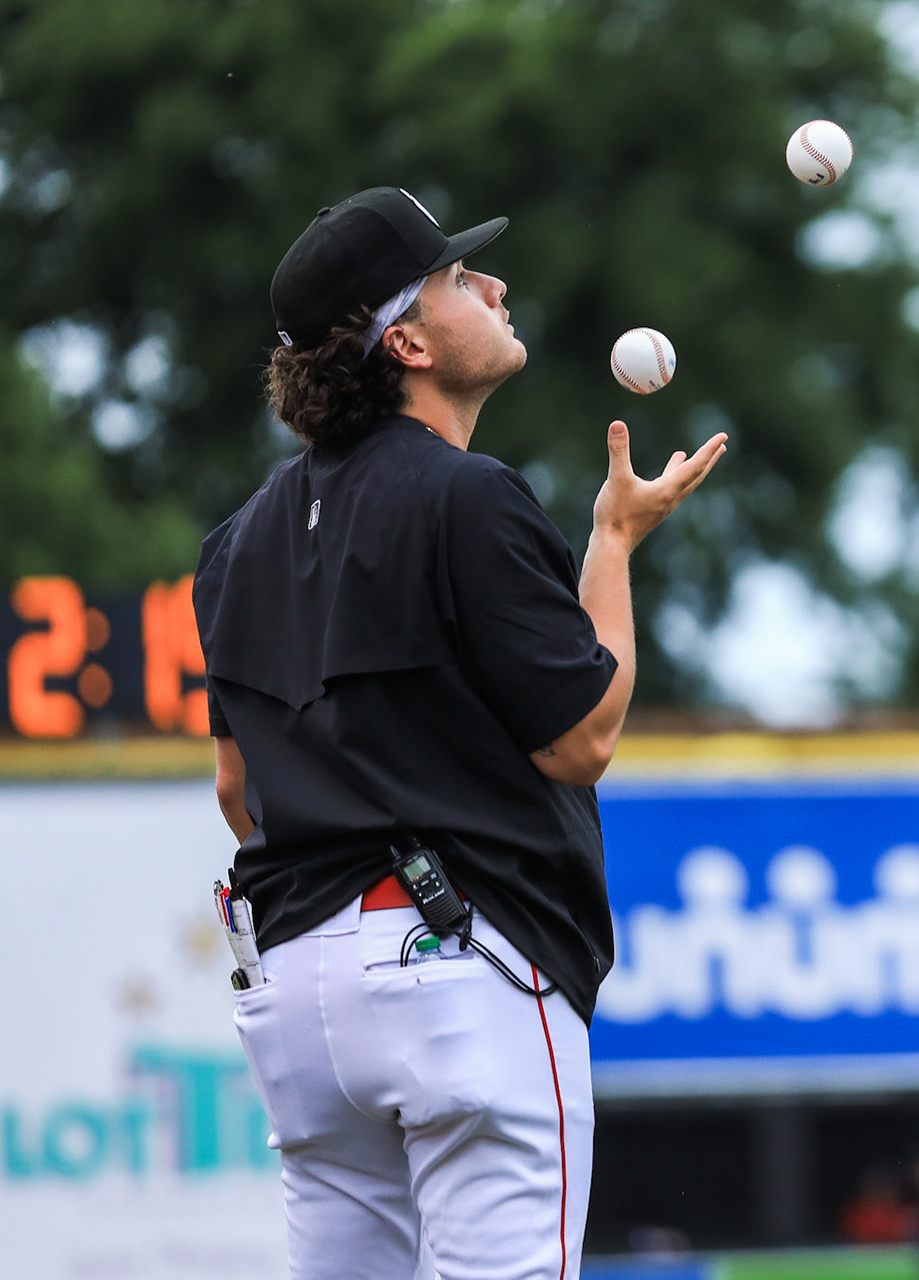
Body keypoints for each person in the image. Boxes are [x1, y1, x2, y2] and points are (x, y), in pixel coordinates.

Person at [194, 187, 725, 1280]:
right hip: (451, 963)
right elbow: (581, 738)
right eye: (455, 277)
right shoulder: (466, 495)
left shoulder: (233, 543)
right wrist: (613, 545)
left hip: (295, 990)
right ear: (409, 342)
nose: (492, 283)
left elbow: (238, 794)